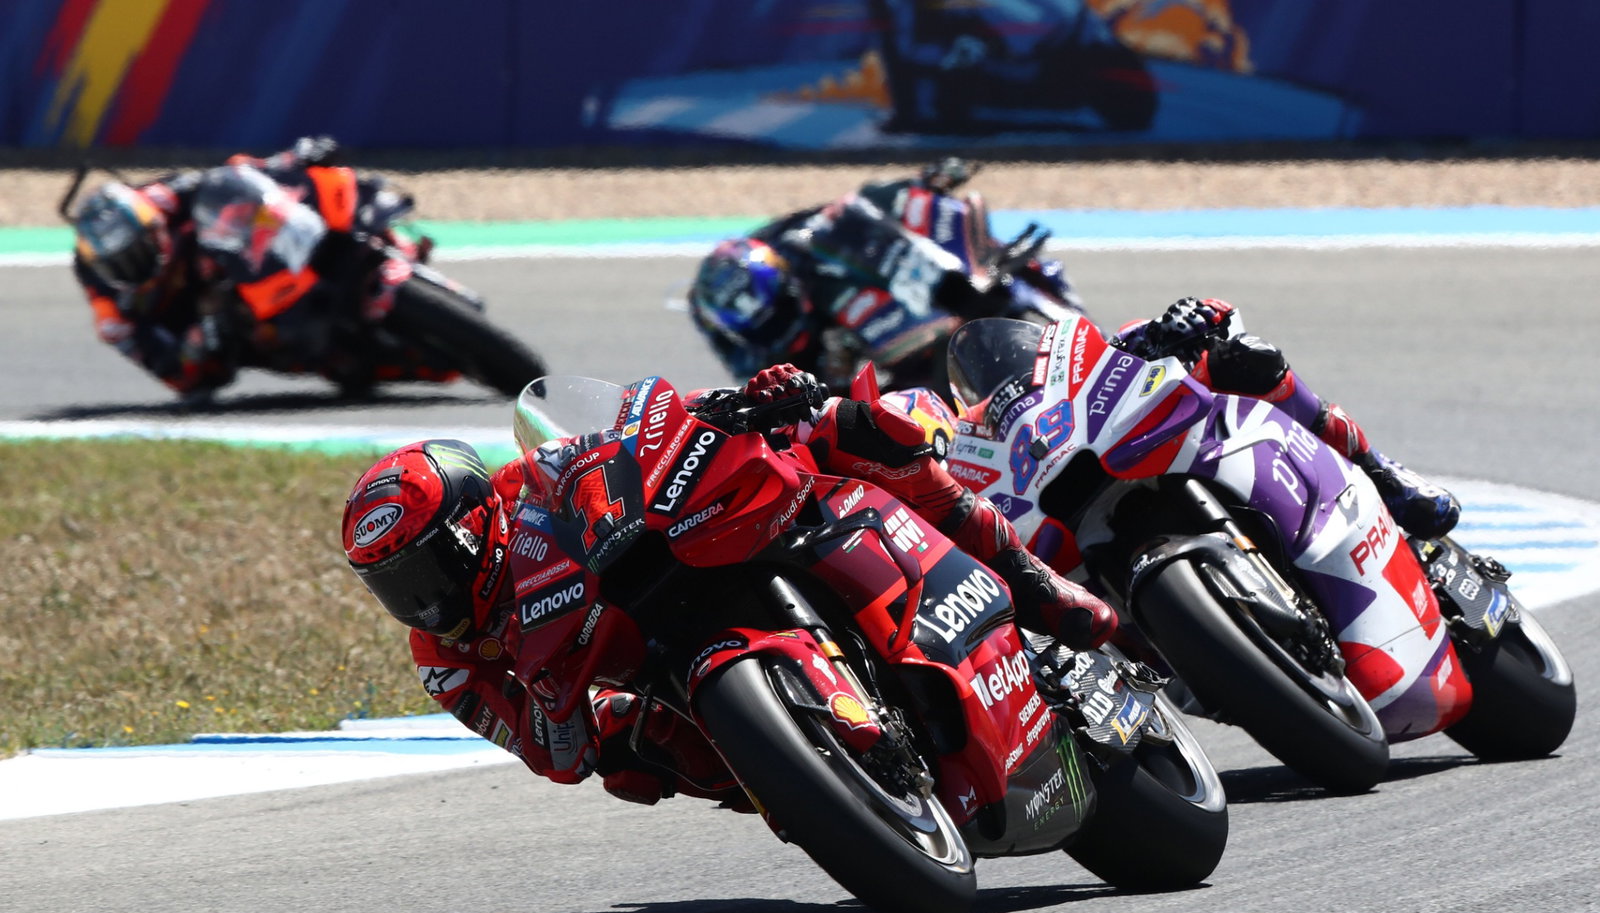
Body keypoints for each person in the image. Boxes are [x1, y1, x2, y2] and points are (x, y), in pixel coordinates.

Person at [340, 364, 1117, 807]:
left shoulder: (524, 482)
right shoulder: (445, 657)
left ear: (476, 522)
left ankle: (1032, 578)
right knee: (632, 762)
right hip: (646, 664)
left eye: (428, 569)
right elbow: (552, 753)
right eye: (399, 587)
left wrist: (735, 404)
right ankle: (813, 783)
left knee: (848, 427)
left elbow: (627, 438)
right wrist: (580, 707)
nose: (425, 601)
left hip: (680, 548)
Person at [69, 135, 443, 401]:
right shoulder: (110, 307)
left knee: (321, 193)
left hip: (247, 259)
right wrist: (197, 345)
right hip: (226, 321)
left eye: (140, 248)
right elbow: (175, 375)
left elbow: (233, 178)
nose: (137, 263)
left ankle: (384, 240)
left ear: (152, 224)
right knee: (305, 354)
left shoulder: (159, 199)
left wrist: (290, 161)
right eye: (123, 262)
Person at [688, 157, 1084, 397]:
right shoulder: (717, 321)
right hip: (828, 341)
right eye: (767, 325)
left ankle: (995, 287)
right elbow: (763, 391)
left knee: (887, 218)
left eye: (780, 311)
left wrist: (954, 290)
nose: (780, 324)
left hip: (877, 242)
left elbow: (873, 234)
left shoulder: (802, 244)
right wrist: (830, 381)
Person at [1114, 296, 1460, 538]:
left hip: (1178, 431)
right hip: (1098, 468)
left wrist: (1158, 332)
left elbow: (1099, 348)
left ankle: (1381, 475)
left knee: (1245, 357)